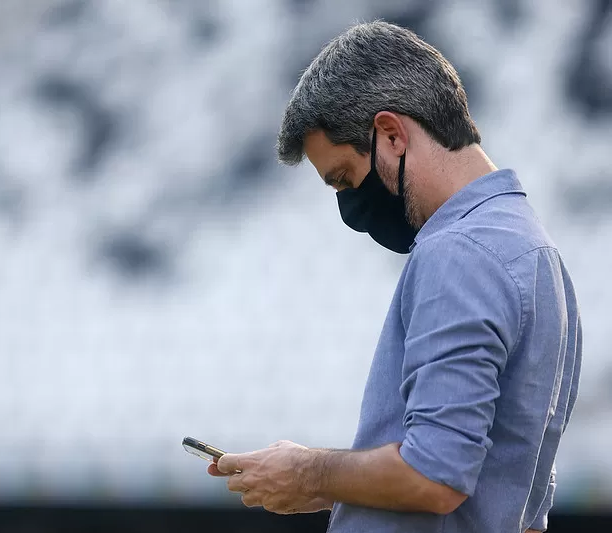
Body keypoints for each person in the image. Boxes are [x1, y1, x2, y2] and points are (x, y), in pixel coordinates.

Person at [207, 20, 582, 533]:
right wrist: (330, 491)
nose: (349, 208)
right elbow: (506, 498)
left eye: (343, 179)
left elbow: (435, 476)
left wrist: (308, 472)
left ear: (390, 134)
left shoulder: (458, 254)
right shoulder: (535, 252)